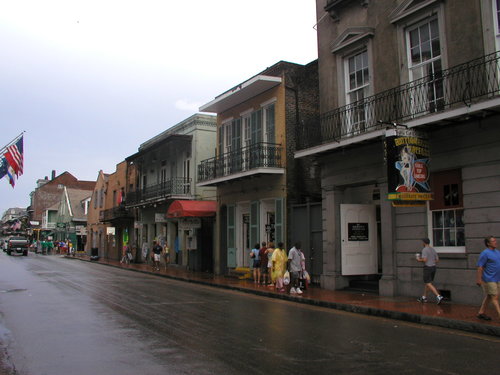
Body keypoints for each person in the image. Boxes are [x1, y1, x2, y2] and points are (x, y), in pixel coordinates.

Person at [476, 236, 500, 321]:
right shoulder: (485, 253)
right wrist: (479, 279)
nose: (495, 242)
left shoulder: (497, 252)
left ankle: (481, 312)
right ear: (488, 243)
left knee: (489, 296)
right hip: (489, 279)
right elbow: (480, 267)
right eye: (493, 241)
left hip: (497, 278)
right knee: (495, 297)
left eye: (495, 241)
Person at [416, 238, 443, 304]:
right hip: (433, 267)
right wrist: (431, 261)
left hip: (428, 268)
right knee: (428, 283)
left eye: (422, 242)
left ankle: (438, 296)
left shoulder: (425, 249)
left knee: (428, 283)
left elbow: (425, 260)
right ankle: (424, 297)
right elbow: (437, 260)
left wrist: (418, 259)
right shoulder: (432, 249)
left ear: (424, 243)